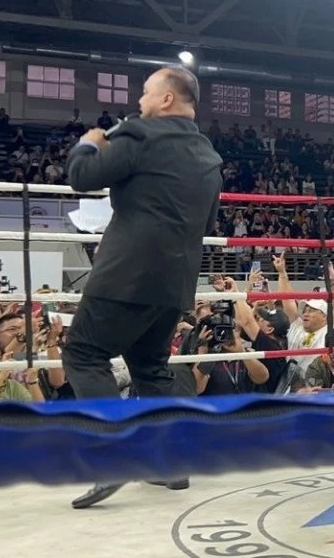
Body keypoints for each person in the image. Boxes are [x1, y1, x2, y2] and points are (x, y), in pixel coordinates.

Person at [61, 66, 223, 509]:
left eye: (147, 91)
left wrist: (88, 143)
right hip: (176, 280)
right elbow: (209, 221)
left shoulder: (140, 133)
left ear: (167, 98)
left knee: (83, 353)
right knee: (150, 367)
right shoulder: (210, 156)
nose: (139, 100)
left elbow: (82, 177)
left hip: (126, 272)